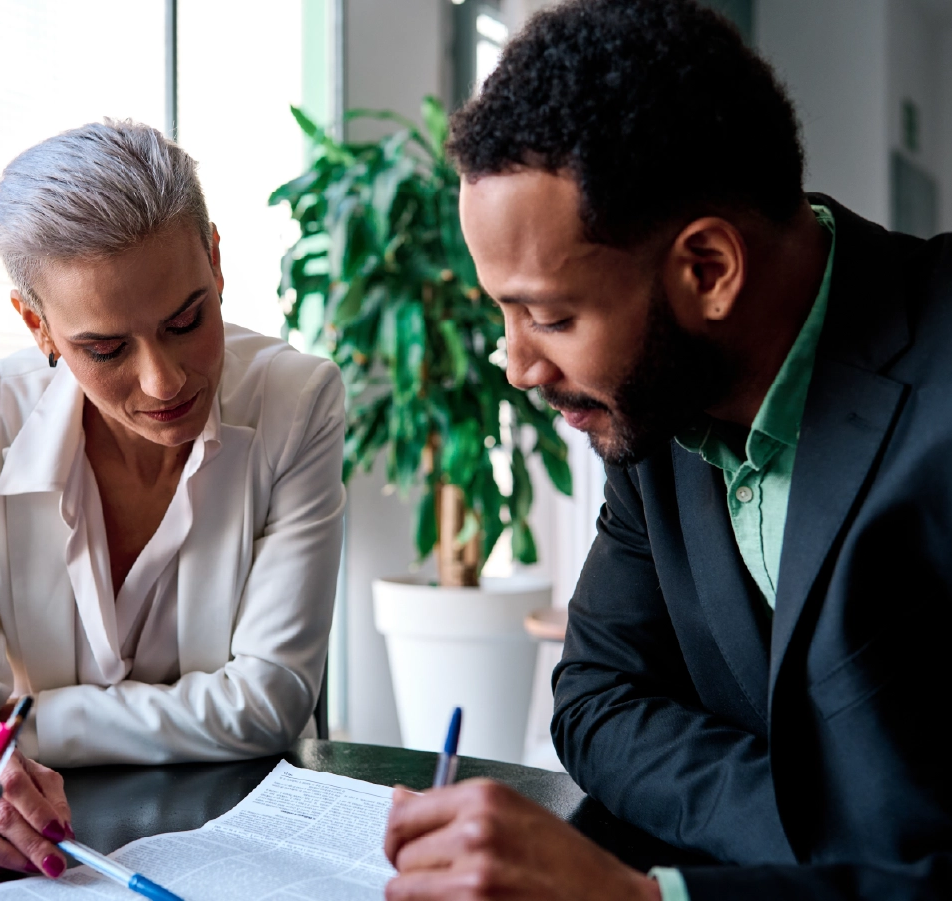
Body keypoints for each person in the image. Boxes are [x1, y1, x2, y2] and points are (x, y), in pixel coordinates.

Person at [383, 1, 952, 899]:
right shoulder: (655, 413)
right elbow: (599, 698)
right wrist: (822, 830)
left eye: (550, 316)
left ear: (708, 271)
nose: (519, 366)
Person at [0, 120, 346, 877]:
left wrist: (28, 723)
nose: (163, 381)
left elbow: (271, 698)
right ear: (38, 325)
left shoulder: (296, 401)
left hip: (242, 841)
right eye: (105, 349)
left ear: (216, 260)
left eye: (185, 322)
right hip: (61, 844)